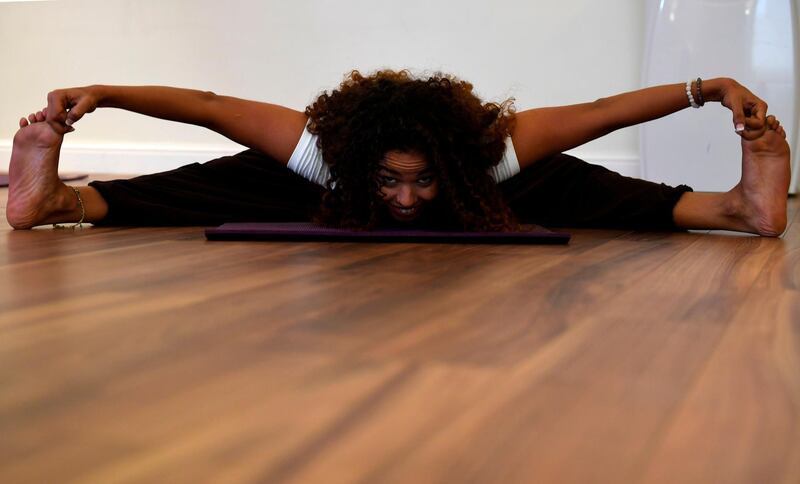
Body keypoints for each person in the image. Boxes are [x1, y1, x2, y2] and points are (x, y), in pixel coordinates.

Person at [6, 70, 792, 235]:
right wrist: (105, 94)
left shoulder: (496, 153)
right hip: (323, 193)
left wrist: (711, 87)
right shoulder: (320, 150)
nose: (409, 199)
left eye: (423, 182)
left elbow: (599, 112)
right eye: (393, 181)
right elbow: (212, 111)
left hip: (488, 195)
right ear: (357, 158)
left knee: (569, 183)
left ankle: (738, 205)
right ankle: (60, 200)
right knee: (235, 178)